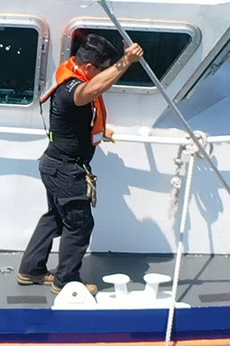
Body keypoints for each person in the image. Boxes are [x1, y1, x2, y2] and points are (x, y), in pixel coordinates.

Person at [18, 33, 142, 293]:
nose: (103, 74)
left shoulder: (70, 72)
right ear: (88, 67)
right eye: (102, 69)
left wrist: (100, 131)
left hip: (54, 165)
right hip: (66, 169)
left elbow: (78, 115)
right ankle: (65, 281)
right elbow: (92, 91)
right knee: (79, 224)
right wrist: (126, 62)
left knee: (55, 218)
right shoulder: (72, 89)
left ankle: (30, 270)